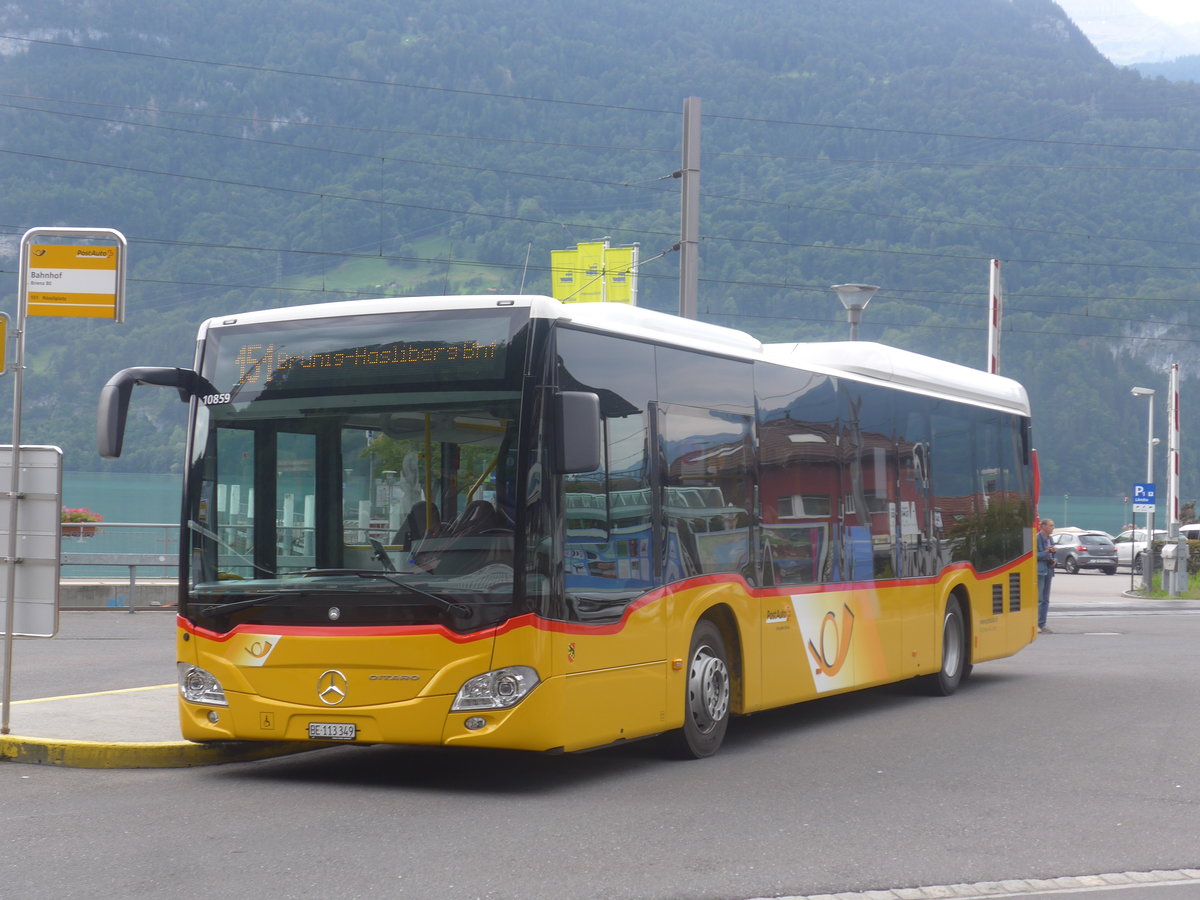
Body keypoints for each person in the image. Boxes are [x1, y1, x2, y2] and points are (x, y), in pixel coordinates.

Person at [1036, 518, 1056, 634]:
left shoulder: (1050, 538)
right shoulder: (1037, 538)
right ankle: (1036, 623)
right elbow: (1034, 555)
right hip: (1040, 571)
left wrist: (1054, 559)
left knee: (1046, 599)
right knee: (1039, 598)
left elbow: (1053, 553)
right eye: (1050, 526)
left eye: (1053, 526)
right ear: (1043, 526)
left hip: (1049, 570)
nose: (1052, 528)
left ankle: (1043, 623)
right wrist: (1046, 552)